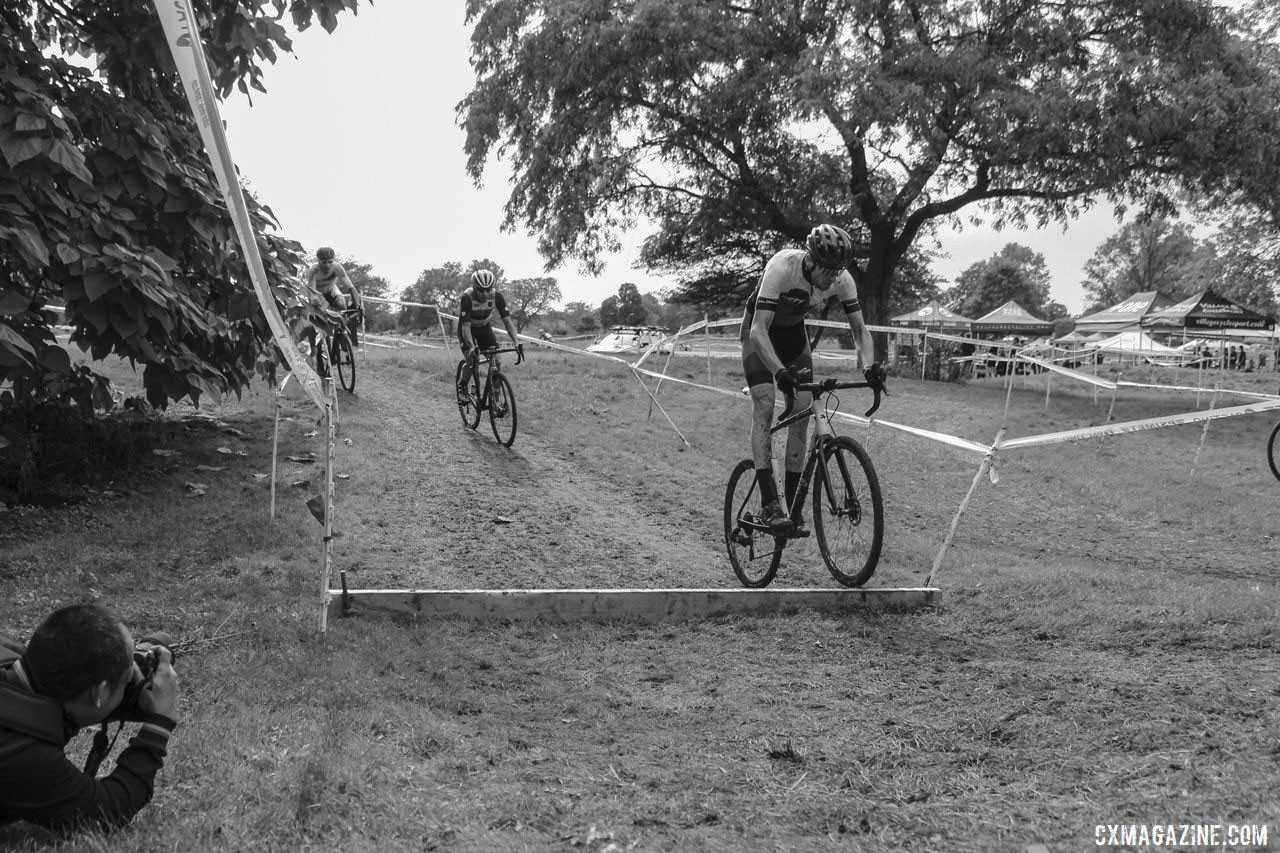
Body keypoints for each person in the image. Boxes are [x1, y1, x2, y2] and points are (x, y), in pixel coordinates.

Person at [740, 223, 883, 534]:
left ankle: (790, 507)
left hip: (793, 336)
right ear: (811, 260)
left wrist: (869, 367)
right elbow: (758, 331)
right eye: (828, 270)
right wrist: (779, 373)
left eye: (838, 270)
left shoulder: (842, 280)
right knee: (764, 403)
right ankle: (768, 503)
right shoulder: (782, 266)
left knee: (801, 414)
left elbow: (860, 330)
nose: (833, 278)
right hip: (759, 332)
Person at [0, 604, 179, 832]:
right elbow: (105, 811)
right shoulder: (22, 753)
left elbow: (69, 703)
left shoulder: (11, 654)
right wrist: (159, 723)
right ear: (99, 693)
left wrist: (134, 689)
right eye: (127, 680)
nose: (131, 680)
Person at [456, 269, 523, 402]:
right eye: (481, 290)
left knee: (497, 361)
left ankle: (495, 402)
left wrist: (516, 342)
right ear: (474, 288)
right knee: (471, 360)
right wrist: (472, 346)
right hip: (468, 330)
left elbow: (507, 321)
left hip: (485, 328)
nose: (485, 294)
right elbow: (466, 327)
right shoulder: (467, 297)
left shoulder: (496, 296)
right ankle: (462, 385)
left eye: (488, 289)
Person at [305, 247, 364, 347]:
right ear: (318, 261)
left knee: (341, 304)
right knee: (321, 320)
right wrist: (317, 306)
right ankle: (323, 342)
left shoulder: (337, 267)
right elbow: (312, 293)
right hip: (317, 294)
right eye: (324, 262)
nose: (327, 266)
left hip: (331, 290)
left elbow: (351, 288)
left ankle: (340, 332)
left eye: (330, 262)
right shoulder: (313, 270)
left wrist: (358, 305)